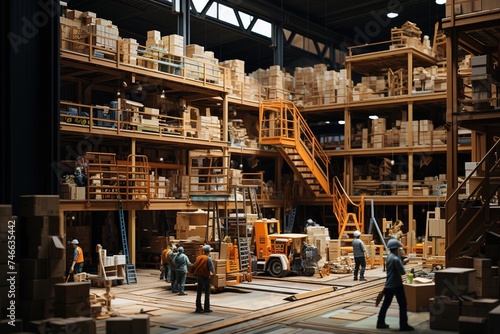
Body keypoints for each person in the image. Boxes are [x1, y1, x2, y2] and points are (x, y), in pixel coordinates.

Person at [377, 238, 414, 331]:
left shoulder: (388, 257)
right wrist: (404, 262)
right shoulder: (396, 259)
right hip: (397, 284)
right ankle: (403, 325)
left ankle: (380, 322)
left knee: (385, 304)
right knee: (402, 304)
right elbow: (402, 272)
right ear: (396, 249)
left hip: (388, 284)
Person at [194, 245, 215, 313]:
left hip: (199, 276)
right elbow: (211, 268)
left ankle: (198, 307)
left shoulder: (198, 257)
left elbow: (195, 265)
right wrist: (214, 274)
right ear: (208, 251)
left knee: (199, 292)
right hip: (205, 276)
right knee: (207, 292)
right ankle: (206, 308)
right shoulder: (208, 258)